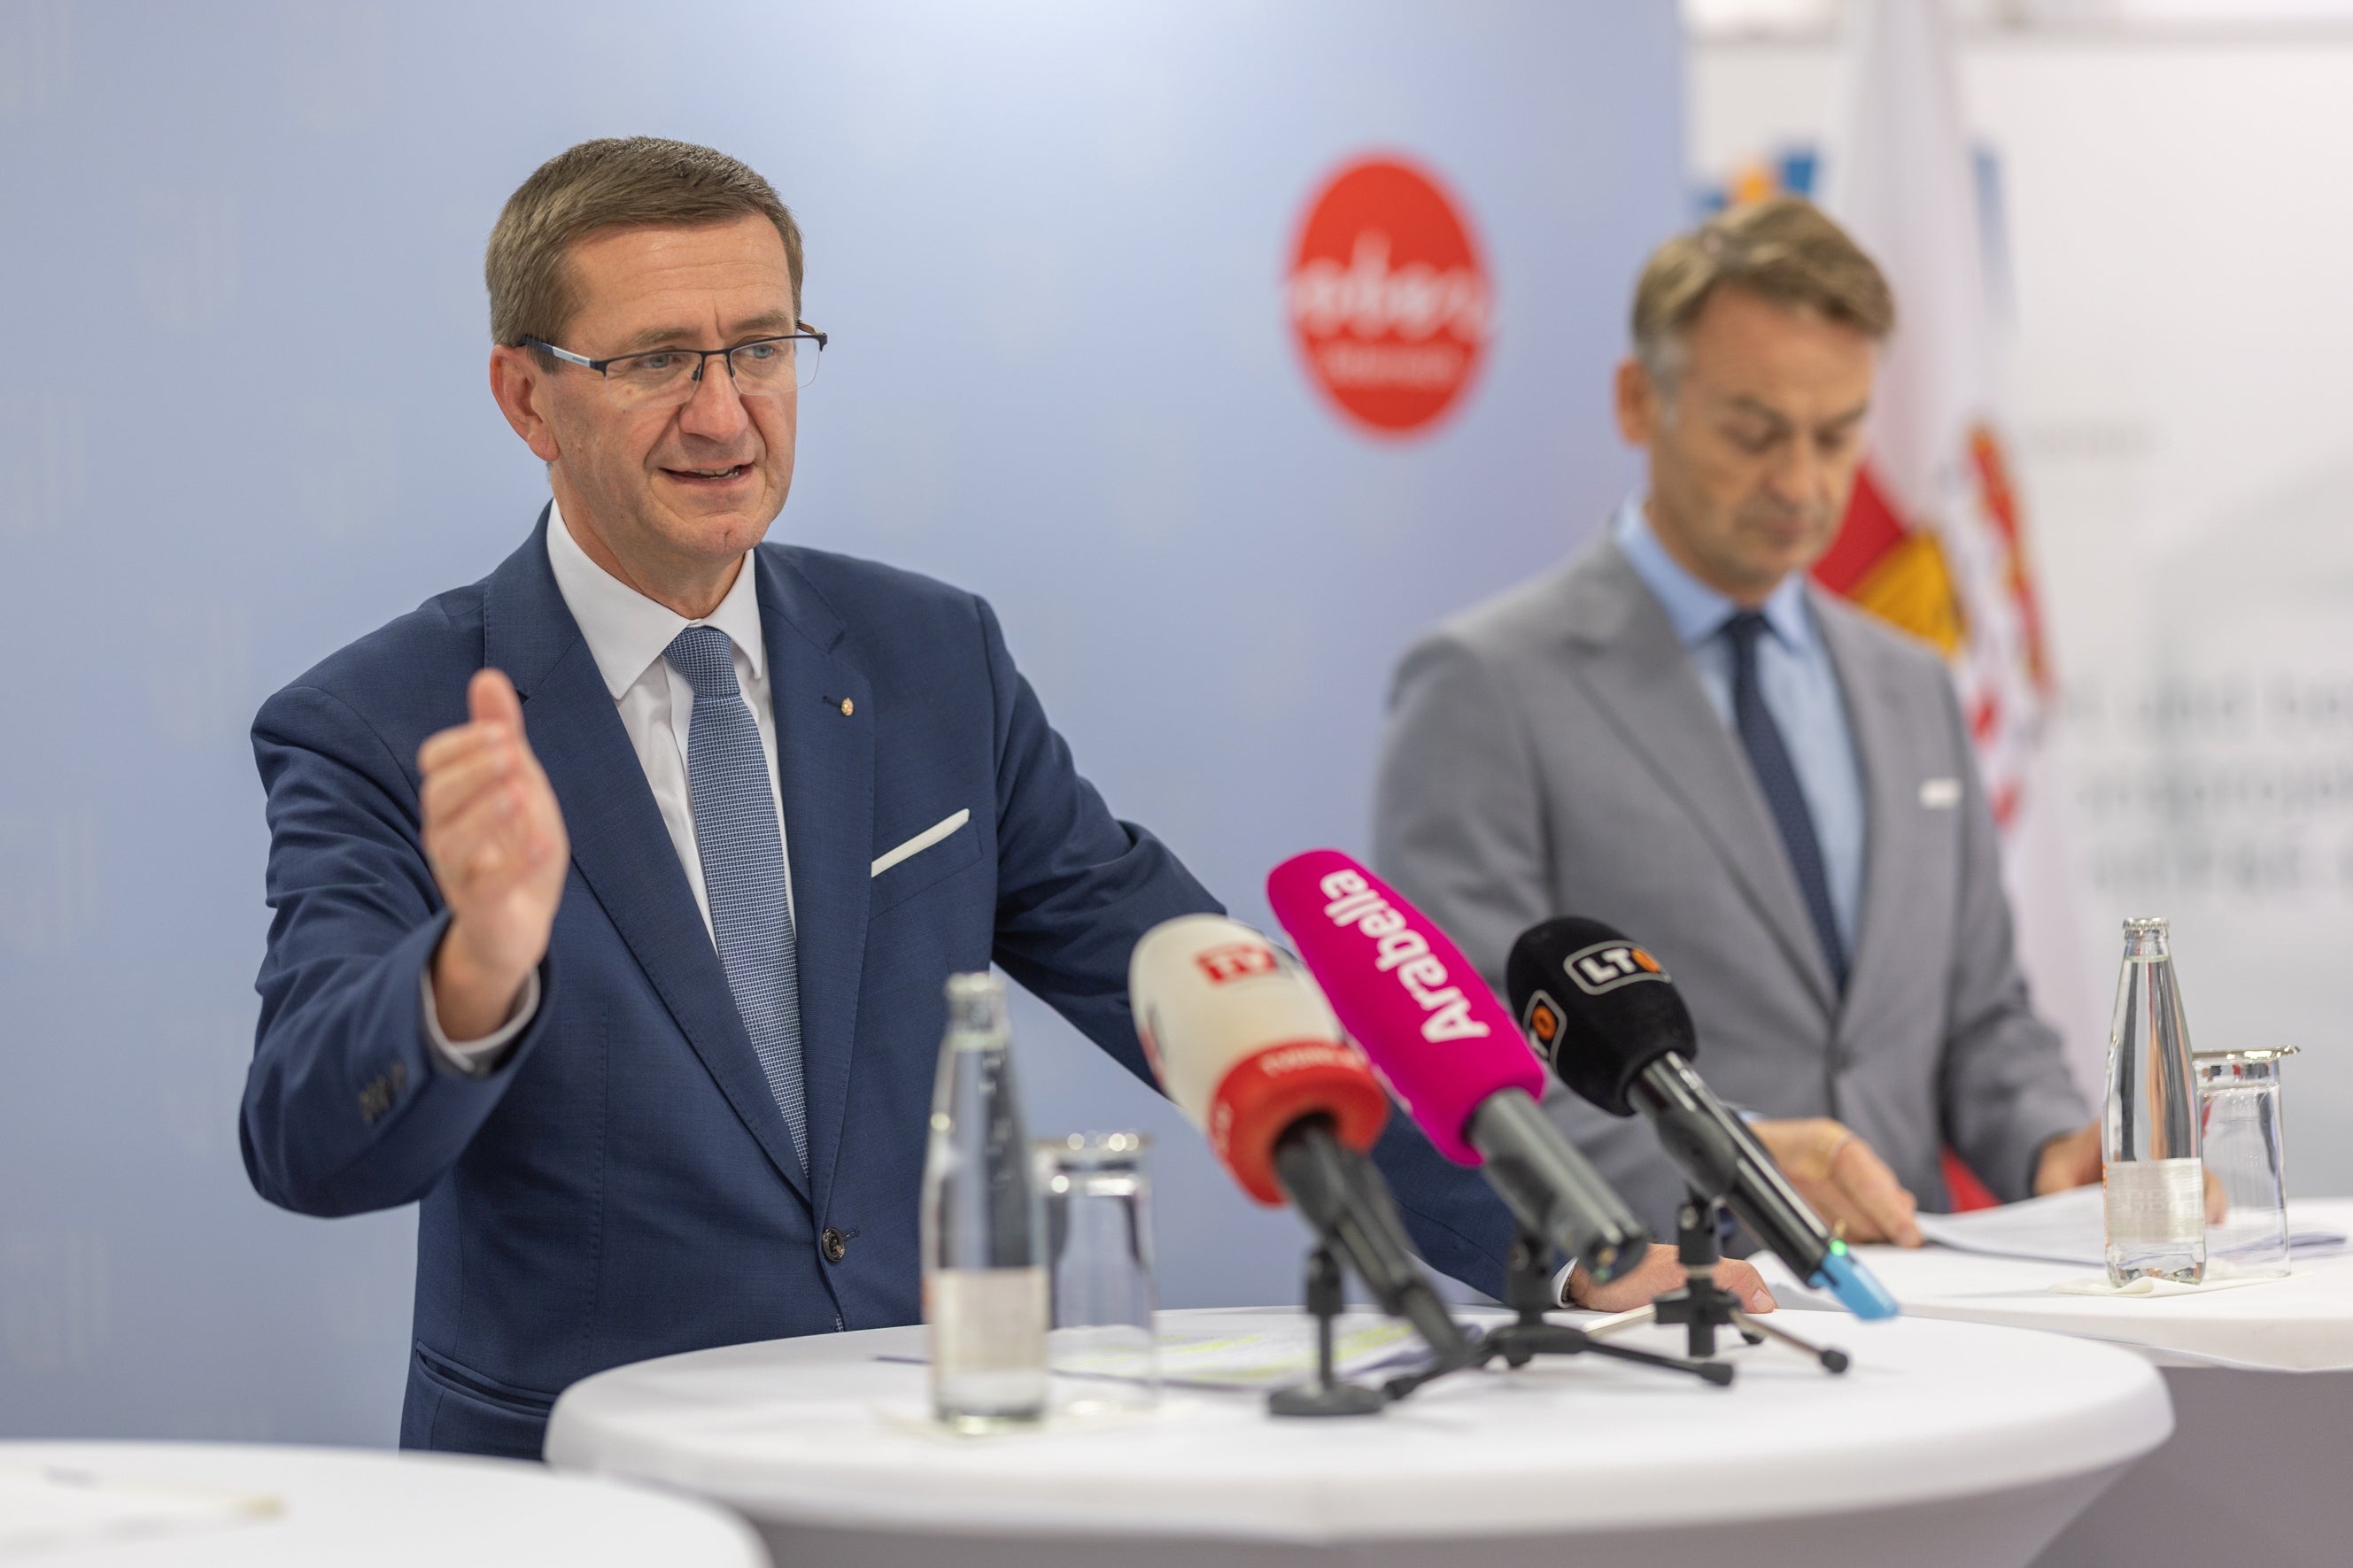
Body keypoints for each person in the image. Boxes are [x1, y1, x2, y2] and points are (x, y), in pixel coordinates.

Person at [241, 137, 1762, 1457]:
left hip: (912, 1464)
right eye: (654, 362)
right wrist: (474, 971)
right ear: (526, 397)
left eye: (760, 347)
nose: (723, 413)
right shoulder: (383, 720)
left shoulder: (928, 659)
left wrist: (1566, 1241)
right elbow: (308, 1137)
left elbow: (1191, 977)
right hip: (582, 1492)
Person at [1374, 197, 2101, 1247]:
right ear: (1639, 401)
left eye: (1836, 435)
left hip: (1927, 1310)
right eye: (1752, 433)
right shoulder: (1482, 686)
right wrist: (1737, 1158)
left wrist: (2053, 1150)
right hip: (1660, 1315)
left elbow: (1979, 1021)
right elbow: (1463, 1069)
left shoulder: (1913, 684)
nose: (1800, 483)